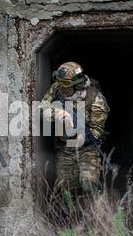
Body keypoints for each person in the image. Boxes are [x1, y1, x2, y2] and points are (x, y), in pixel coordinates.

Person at [40, 61, 110, 204]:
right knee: (67, 188)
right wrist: (57, 113)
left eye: (65, 84)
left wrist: (83, 137)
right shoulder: (56, 89)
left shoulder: (95, 99)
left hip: (88, 148)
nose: (61, 87)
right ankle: (74, 220)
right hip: (64, 148)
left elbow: (97, 130)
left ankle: (97, 216)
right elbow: (41, 109)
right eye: (59, 82)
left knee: (88, 184)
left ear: (77, 83)